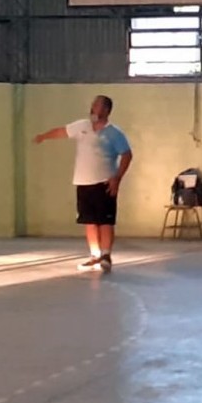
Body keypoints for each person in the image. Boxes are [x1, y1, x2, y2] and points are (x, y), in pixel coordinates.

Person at [33, 95, 132, 274]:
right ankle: (94, 256)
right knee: (89, 221)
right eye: (93, 105)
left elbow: (126, 155)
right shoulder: (82, 126)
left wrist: (117, 177)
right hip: (83, 182)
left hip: (105, 183)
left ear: (107, 110)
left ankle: (106, 256)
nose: (93, 108)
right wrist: (43, 136)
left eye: (97, 106)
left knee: (105, 221)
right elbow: (61, 131)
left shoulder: (114, 133)